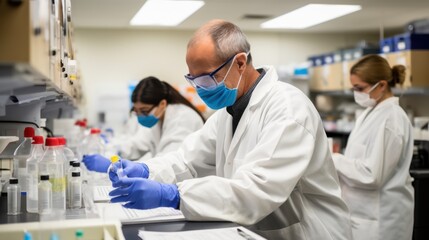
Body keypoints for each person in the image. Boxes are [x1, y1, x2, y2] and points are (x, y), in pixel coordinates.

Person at [108, 20, 352, 239]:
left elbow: (256, 190)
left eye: (206, 79)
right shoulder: (229, 111)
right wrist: (145, 170)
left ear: (240, 63)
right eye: (193, 80)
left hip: (309, 233)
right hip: (256, 229)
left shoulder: (287, 109)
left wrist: (172, 195)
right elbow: (187, 160)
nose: (201, 89)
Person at [332, 54, 414, 240]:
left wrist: (336, 159)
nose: (356, 93)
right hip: (363, 214)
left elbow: (372, 175)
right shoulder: (371, 112)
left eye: (359, 88)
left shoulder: (391, 119)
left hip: (381, 220)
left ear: (382, 85)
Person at [82, 76, 205, 172]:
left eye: (144, 111)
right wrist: (109, 150)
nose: (140, 116)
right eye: (137, 111)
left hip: (192, 184)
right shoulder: (157, 120)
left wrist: (115, 166)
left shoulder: (183, 118)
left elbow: (170, 162)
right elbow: (137, 144)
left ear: (162, 104)